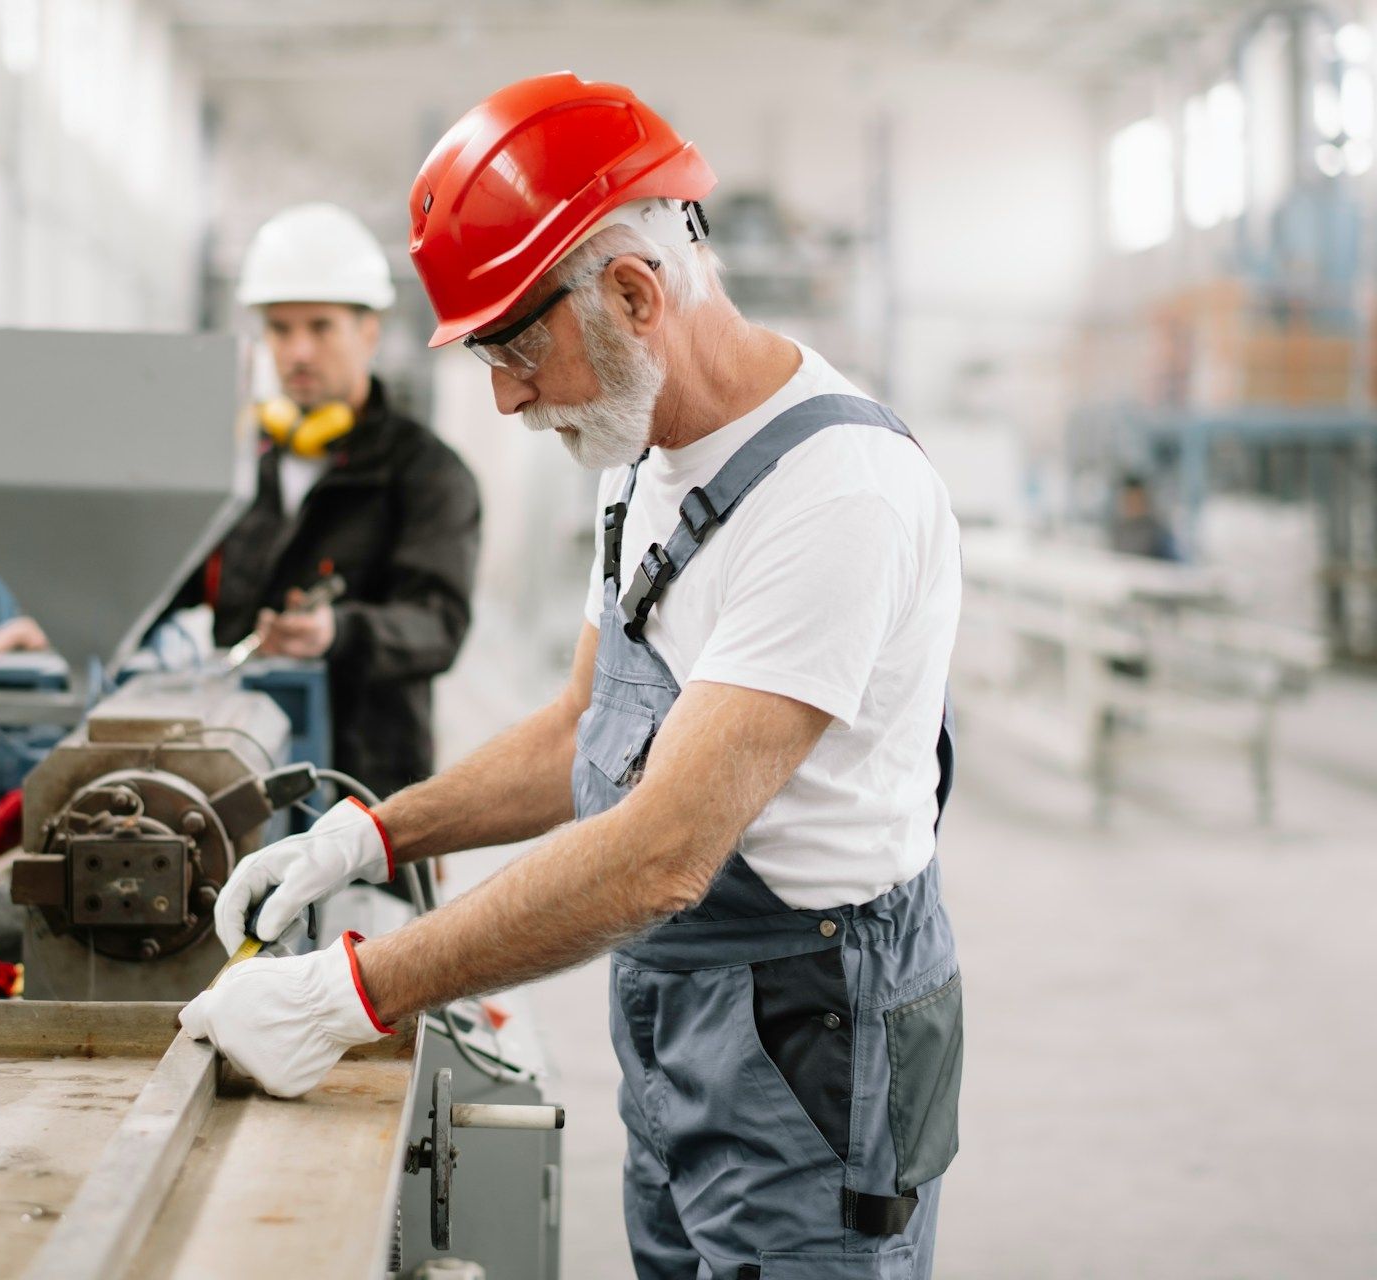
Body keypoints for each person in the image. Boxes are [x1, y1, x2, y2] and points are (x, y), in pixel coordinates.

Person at [179, 75, 965, 1279]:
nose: (503, 395)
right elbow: (579, 731)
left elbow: (662, 851)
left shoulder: (835, 495)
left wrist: (352, 991)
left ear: (634, 294)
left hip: (815, 1029)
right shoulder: (637, 454)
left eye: (512, 348)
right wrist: (364, 837)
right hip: (680, 1004)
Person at [0, 203, 480, 803]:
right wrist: (77, 625)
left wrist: (338, 632)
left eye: (320, 327)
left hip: (366, 785)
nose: (297, 351)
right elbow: (168, 578)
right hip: (233, 772)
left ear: (369, 330)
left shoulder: (427, 473)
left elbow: (438, 624)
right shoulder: (238, 465)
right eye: (279, 328)